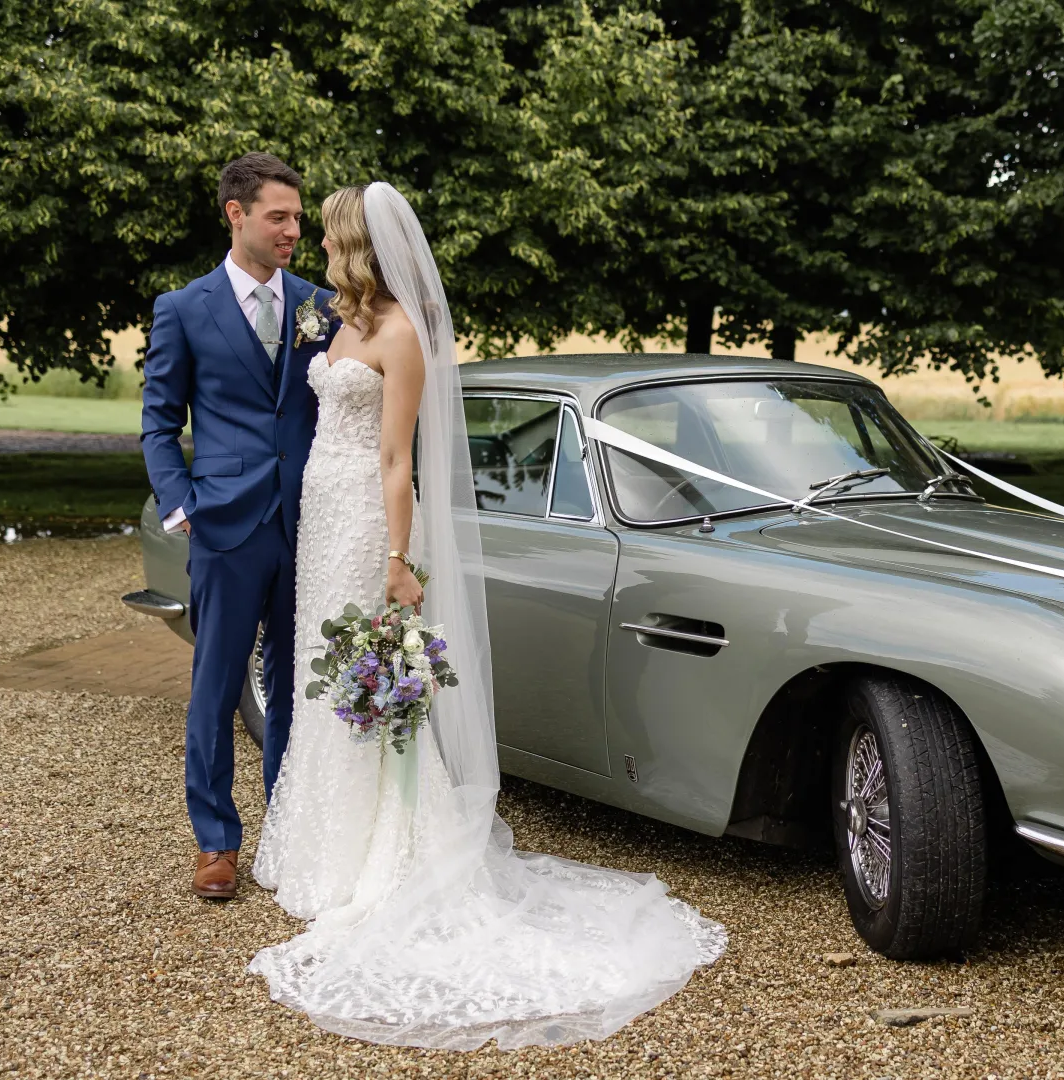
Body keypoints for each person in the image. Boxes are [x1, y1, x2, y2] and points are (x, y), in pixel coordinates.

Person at [249, 181, 724, 1049]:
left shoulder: (399, 337)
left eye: (326, 236)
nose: (316, 248)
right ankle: (320, 845)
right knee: (331, 685)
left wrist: (398, 565)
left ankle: (384, 853)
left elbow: (399, 462)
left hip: (366, 522)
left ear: (355, 244)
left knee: (375, 684)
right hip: (322, 515)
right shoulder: (344, 322)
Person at [140, 153, 331, 899]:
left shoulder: (321, 302)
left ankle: (286, 832)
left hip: (310, 522)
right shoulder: (183, 308)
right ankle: (216, 842)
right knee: (216, 687)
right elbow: (158, 423)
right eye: (278, 216)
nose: (293, 230)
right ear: (236, 214)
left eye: (297, 216)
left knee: (294, 686)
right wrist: (180, 503)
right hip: (224, 525)